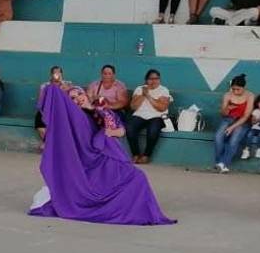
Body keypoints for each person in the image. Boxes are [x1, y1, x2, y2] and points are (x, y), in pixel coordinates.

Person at [29, 84, 174, 226]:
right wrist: (55, 88)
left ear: (85, 94)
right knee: (135, 179)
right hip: (90, 166)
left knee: (138, 177)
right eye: (72, 98)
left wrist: (95, 112)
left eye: (79, 94)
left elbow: (120, 130)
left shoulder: (98, 108)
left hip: (106, 159)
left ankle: (139, 211)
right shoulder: (72, 120)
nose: (78, 99)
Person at [124, 68, 171, 163]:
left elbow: (161, 107)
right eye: (151, 79)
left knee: (153, 129)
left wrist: (149, 96)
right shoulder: (139, 89)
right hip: (140, 115)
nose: (154, 81)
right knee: (130, 127)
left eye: (156, 79)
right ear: (146, 80)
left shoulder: (164, 90)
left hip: (157, 116)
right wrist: (143, 94)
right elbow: (133, 106)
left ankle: (146, 155)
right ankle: (135, 154)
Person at [212, 74, 254, 172]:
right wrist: (227, 108)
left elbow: (246, 116)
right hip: (228, 119)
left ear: (244, 88)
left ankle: (222, 163)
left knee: (234, 139)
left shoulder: (250, 96)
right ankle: (220, 164)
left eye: (238, 89)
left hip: (242, 121)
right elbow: (223, 114)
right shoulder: (227, 95)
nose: (235, 92)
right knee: (218, 137)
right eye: (233, 89)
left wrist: (232, 128)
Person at [34, 65, 69, 152]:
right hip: (46, 110)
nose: (57, 74)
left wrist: (61, 84)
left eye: (59, 72)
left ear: (62, 74)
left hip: (61, 111)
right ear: (51, 74)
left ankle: (47, 145)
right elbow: (40, 101)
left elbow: (69, 100)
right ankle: (51, 144)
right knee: (40, 125)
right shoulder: (44, 86)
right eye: (55, 72)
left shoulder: (66, 85)